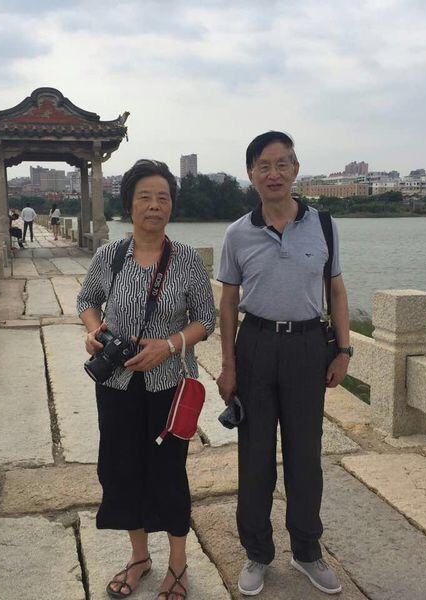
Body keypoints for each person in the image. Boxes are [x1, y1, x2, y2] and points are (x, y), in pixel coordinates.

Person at [216, 131, 352, 596]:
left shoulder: (324, 226)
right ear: (251, 174)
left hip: (308, 347)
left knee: (305, 457)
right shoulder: (237, 233)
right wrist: (228, 365)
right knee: (255, 457)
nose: (273, 174)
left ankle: (307, 551)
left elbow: (336, 291)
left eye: (282, 164)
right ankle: (257, 552)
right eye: (264, 166)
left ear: (295, 169)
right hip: (255, 345)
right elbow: (228, 304)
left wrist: (344, 350)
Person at [77, 159, 215, 600]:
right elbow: (87, 299)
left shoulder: (187, 259)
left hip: (168, 386)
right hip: (116, 385)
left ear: (171, 205)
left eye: (163, 198)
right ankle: (139, 557)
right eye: (145, 198)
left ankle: (178, 563)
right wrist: (93, 331)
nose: (155, 206)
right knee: (120, 469)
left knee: (169, 472)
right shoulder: (109, 256)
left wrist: (168, 345)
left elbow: (206, 319)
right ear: (130, 204)